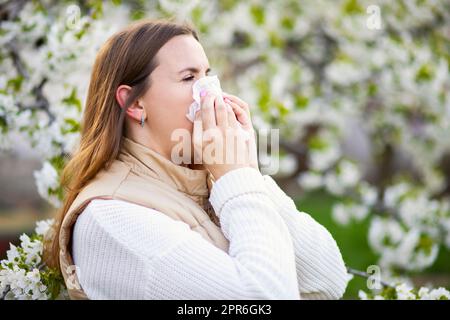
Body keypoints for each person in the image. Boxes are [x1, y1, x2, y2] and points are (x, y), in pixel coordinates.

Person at [43, 18, 348, 300]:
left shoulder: (207, 182)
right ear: (134, 103)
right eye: (189, 77)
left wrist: (247, 173)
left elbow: (328, 281)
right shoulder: (112, 218)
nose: (210, 93)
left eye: (208, 75)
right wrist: (237, 179)